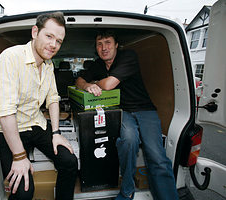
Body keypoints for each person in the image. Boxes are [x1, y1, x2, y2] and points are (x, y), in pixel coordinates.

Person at [75, 30, 179, 200]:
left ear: (116, 44)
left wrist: (95, 82)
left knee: (156, 156)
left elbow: (109, 84)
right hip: (123, 111)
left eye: (108, 42)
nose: (104, 48)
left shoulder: (128, 56)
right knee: (128, 141)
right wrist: (87, 85)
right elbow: (78, 80)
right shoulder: (97, 65)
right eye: (99, 44)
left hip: (145, 109)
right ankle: (127, 190)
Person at [0, 12, 78, 200]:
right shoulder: (10, 57)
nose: (53, 45)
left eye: (59, 41)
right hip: (11, 129)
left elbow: (53, 99)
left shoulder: (48, 66)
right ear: (34, 32)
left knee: (70, 161)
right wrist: (19, 157)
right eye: (49, 36)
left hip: (37, 125)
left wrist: (56, 134)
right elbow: (6, 112)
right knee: (23, 191)